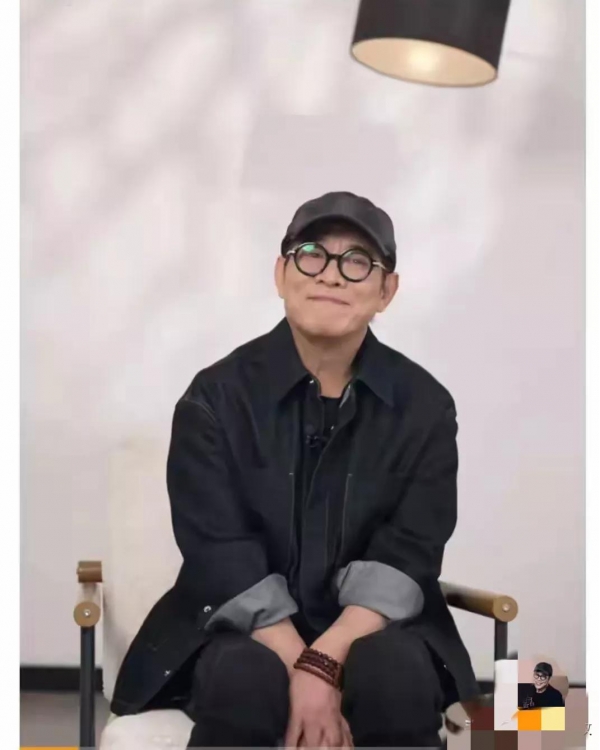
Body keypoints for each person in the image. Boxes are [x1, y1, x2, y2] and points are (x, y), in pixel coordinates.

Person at [110, 191, 479, 748]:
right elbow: (218, 549)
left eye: (357, 261)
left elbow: (411, 548)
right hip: (240, 630)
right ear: (281, 275)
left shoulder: (426, 407)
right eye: (311, 255)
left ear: (387, 291)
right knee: (243, 679)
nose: (331, 274)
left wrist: (324, 660)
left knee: (396, 675)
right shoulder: (214, 398)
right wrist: (299, 661)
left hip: (373, 627)